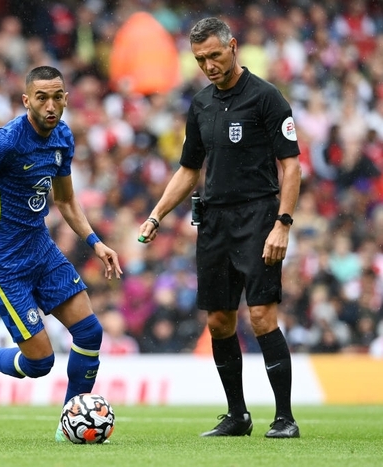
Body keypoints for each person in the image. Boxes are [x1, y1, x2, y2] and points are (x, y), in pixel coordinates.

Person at [138, 18, 301, 439]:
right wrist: (157, 215)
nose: (208, 65)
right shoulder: (201, 104)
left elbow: (291, 165)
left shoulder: (266, 98)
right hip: (214, 221)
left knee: (263, 316)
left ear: (233, 46)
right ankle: (237, 415)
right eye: (200, 59)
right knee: (219, 322)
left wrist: (282, 223)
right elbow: (189, 169)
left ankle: (284, 418)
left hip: (259, 217)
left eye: (214, 55)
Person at [0, 65, 123, 442]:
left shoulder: (62, 136)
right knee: (40, 363)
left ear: (65, 98)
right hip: (4, 261)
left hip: (40, 249)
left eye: (57, 96)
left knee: (90, 331)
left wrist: (96, 242)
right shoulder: (6, 142)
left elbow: (66, 199)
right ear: (26, 100)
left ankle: (69, 424)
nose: (50, 105)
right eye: (41, 97)